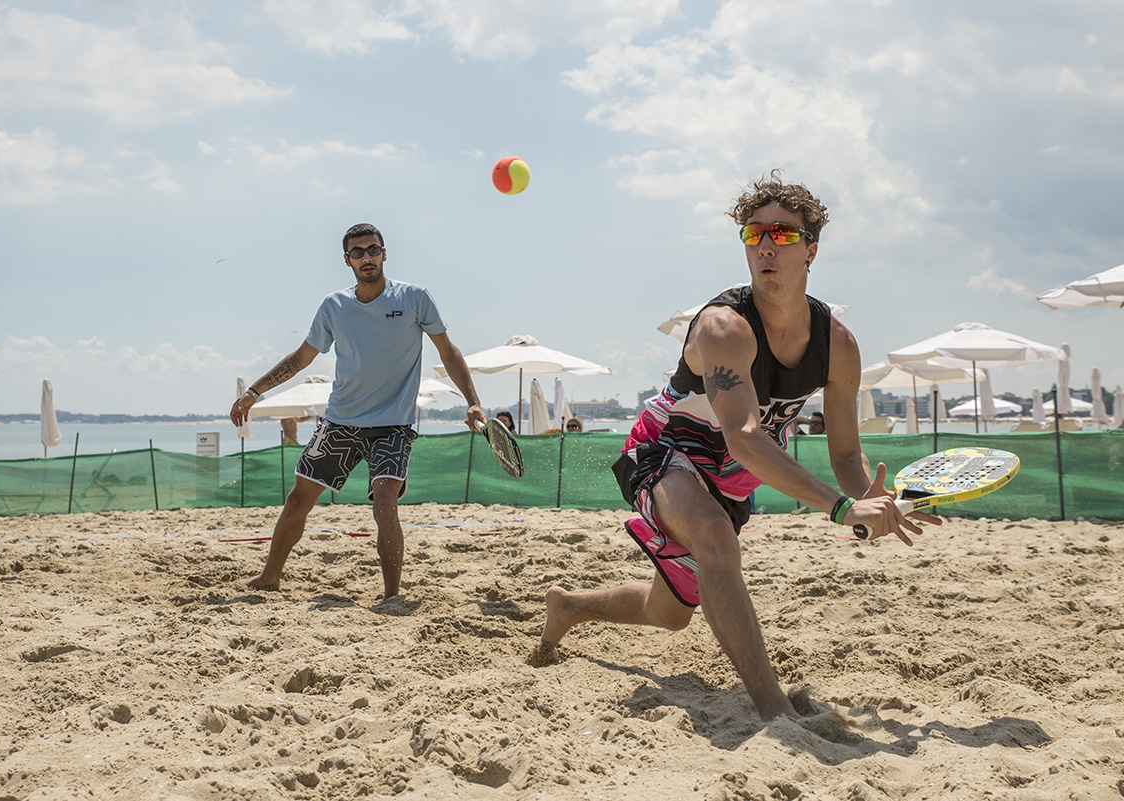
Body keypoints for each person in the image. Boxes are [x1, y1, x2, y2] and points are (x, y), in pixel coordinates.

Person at [533, 172, 938, 720]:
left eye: (785, 235)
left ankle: (569, 606)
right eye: (755, 234)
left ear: (811, 249)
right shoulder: (723, 327)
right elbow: (745, 435)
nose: (767, 244)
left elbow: (844, 453)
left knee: (670, 611)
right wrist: (842, 508)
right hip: (666, 447)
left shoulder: (837, 345)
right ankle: (776, 710)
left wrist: (870, 497)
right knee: (716, 539)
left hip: (730, 473)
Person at [231, 222, 486, 600]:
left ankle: (391, 594)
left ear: (385, 253)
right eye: (357, 252)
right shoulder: (334, 306)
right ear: (347, 260)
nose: (366, 257)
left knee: (385, 504)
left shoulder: (415, 298)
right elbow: (302, 358)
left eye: (372, 250)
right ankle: (270, 576)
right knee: (299, 499)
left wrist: (473, 400)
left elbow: (448, 352)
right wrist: (255, 391)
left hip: (393, 426)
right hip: (340, 421)